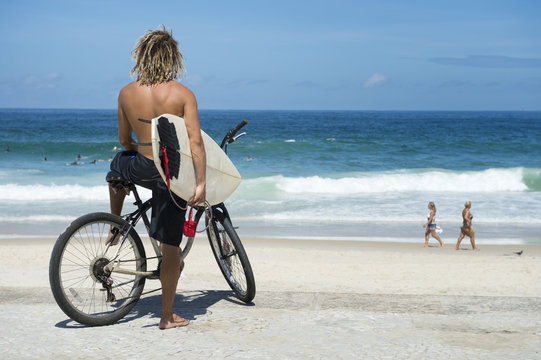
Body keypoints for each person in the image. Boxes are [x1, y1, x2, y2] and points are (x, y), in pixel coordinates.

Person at [108, 26, 206, 329]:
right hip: (169, 175)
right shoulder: (182, 94)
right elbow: (196, 143)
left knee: (117, 165)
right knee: (170, 248)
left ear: (143, 57)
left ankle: (115, 223)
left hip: (139, 167)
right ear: (172, 58)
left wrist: (141, 152)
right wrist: (200, 183)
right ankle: (167, 316)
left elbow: (125, 141)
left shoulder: (126, 93)